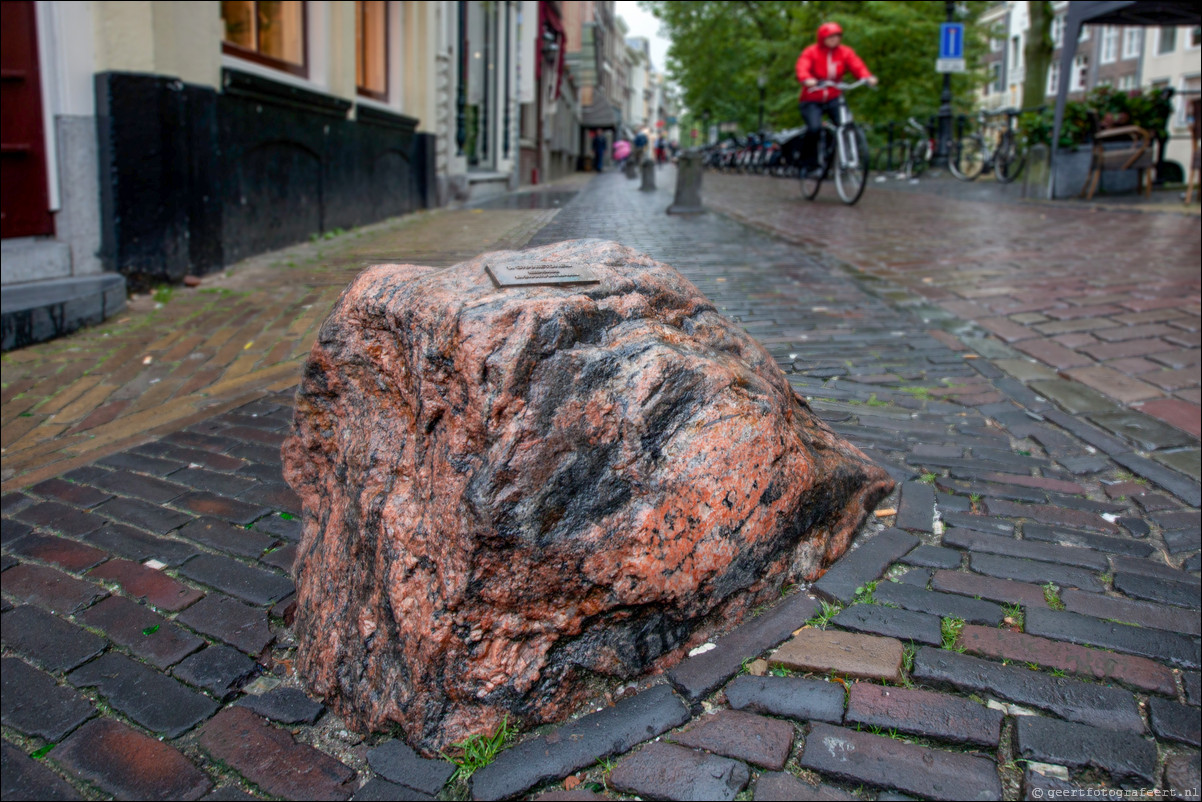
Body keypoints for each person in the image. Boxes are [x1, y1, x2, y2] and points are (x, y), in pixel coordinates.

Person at [795, 22, 877, 177]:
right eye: (830, 37)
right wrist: (806, 79)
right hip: (812, 98)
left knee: (845, 125)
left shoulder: (845, 52)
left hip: (834, 96)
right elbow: (802, 66)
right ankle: (808, 162)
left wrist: (866, 77)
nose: (834, 40)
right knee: (814, 128)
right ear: (822, 38)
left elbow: (857, 65)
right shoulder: (811, 52)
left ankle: (844, 159)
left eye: (837, 36)